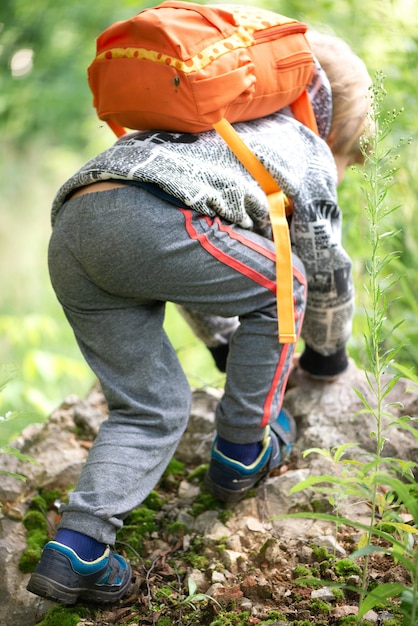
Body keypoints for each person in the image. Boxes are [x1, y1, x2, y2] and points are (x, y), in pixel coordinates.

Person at [27, 29, 372, 605]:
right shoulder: (302, 142)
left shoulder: (188, 128)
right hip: (156, 221)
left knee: (148, 406)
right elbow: (321, 264)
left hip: (75, 226)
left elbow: (193, 269)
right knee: (285, 280)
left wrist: (222, 347)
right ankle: (241, 449)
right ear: (325, 119)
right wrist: (327, 354)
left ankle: (78, 550)